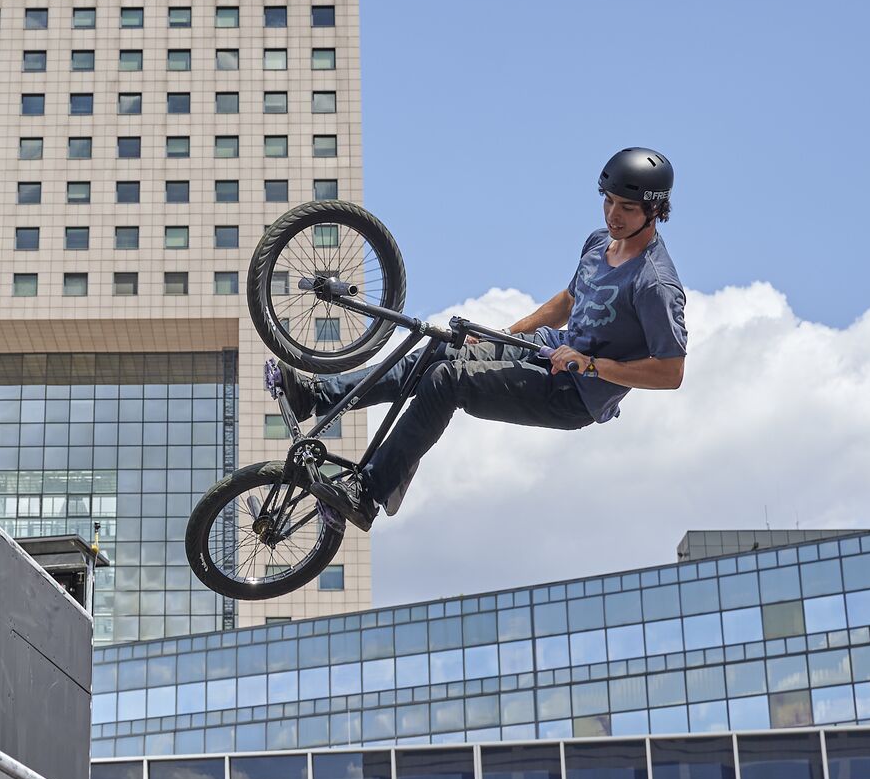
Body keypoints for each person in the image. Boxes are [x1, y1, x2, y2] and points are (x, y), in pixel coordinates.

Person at [271, 148, 687, 526]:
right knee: (442, 346)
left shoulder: (654, 284)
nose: (612, 215)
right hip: (546, 349)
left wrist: (592, 364)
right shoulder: (600, 244)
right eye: (608, 201)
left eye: (627, 208)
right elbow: (567, 301)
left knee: (446, 381)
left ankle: (369, 493)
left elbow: (670, 371)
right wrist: (502, 336)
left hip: (575, 394)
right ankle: (316, 396)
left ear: (655, 211)